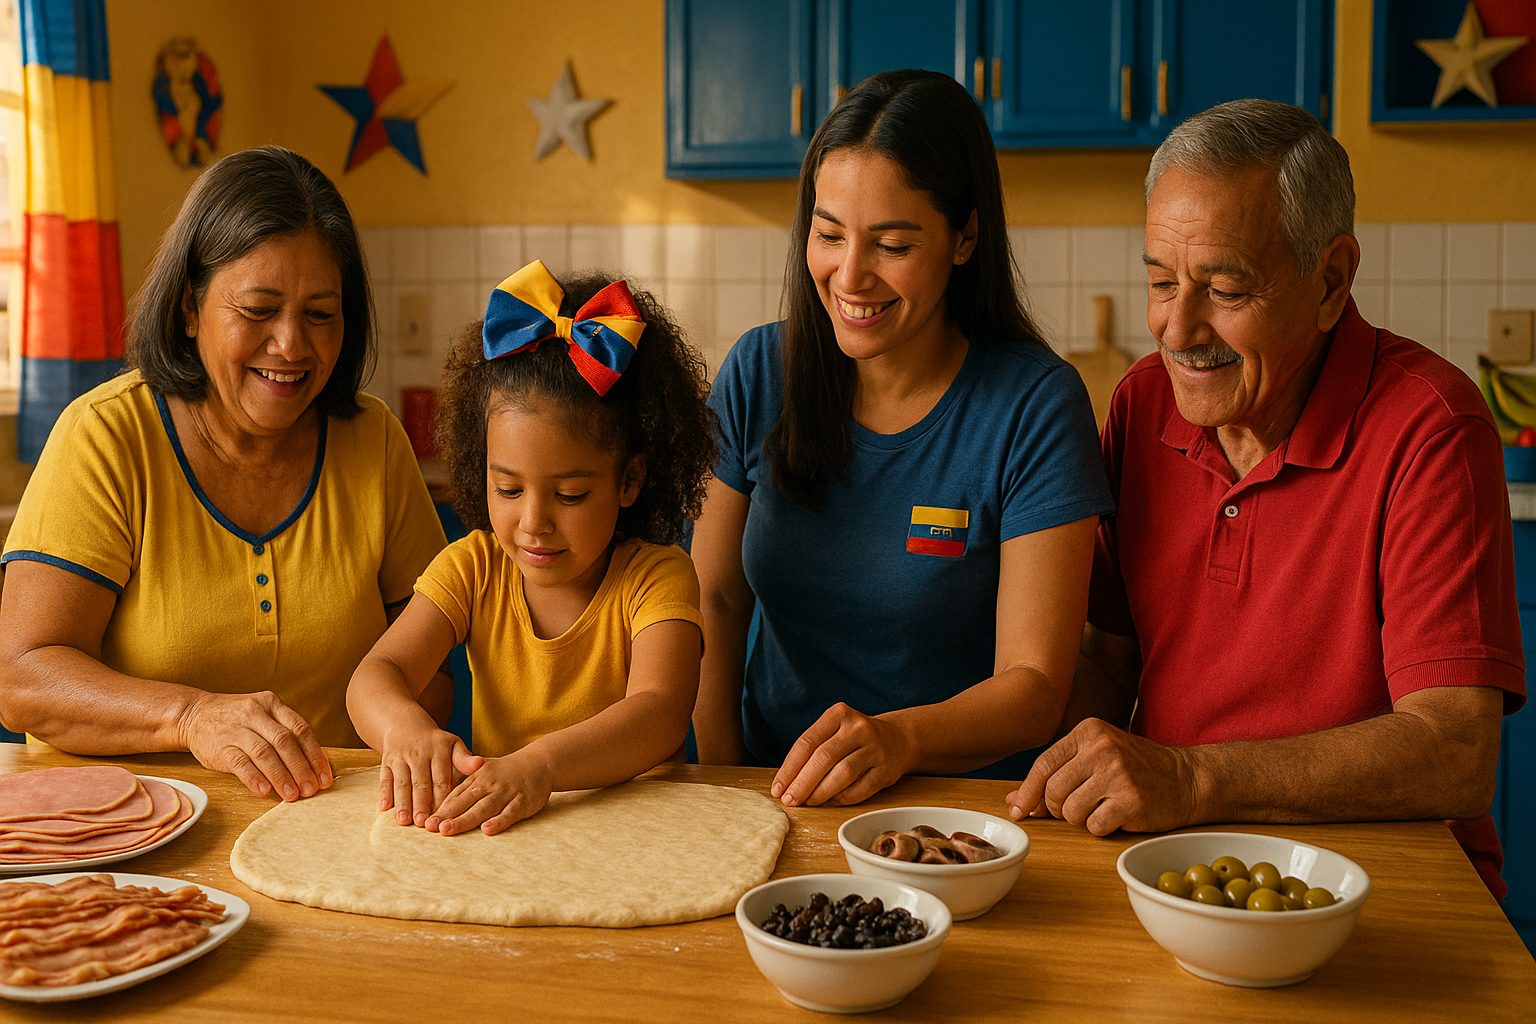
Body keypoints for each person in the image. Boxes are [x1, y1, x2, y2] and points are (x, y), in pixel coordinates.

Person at [1005, 99, 1526, 899]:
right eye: (1161, 282)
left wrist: (1188, 778)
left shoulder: (1432, 429)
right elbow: (1110, 660)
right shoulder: (1142, 405)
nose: (1177, 329)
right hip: (1175, 872)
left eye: (1225, 290)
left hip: (1389, 889)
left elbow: (1456, 752)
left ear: (1330, 281)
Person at [690, 69, 1115, 809]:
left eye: (891, 243)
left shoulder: (1035, 406)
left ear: (964, 237)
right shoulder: (760, 372)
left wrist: (899, 740)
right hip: (772, 795)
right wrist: (727, 785)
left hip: (961, 818)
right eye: (828, 235)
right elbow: (714, 601)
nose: (850, 275)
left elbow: (1035, 686)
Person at [0, 147, 448, 803]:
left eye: (320, 313)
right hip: (127, 830)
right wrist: (190, 716)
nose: (292, 344)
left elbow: (430, 669)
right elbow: (21, 680)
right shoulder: (106, 438)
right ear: (189, 308)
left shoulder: (373, 441)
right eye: (259, 310)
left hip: (333, 820)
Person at [347, 261, 716, 836]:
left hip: (636, 841)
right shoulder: (472, 568)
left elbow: (660, 713)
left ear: (630, 480)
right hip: (509, 839)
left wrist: (540, 767)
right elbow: (377, 674)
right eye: (508, 489)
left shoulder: (657, 577)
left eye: (569, 494)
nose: (532, 523)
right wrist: (405, 729)